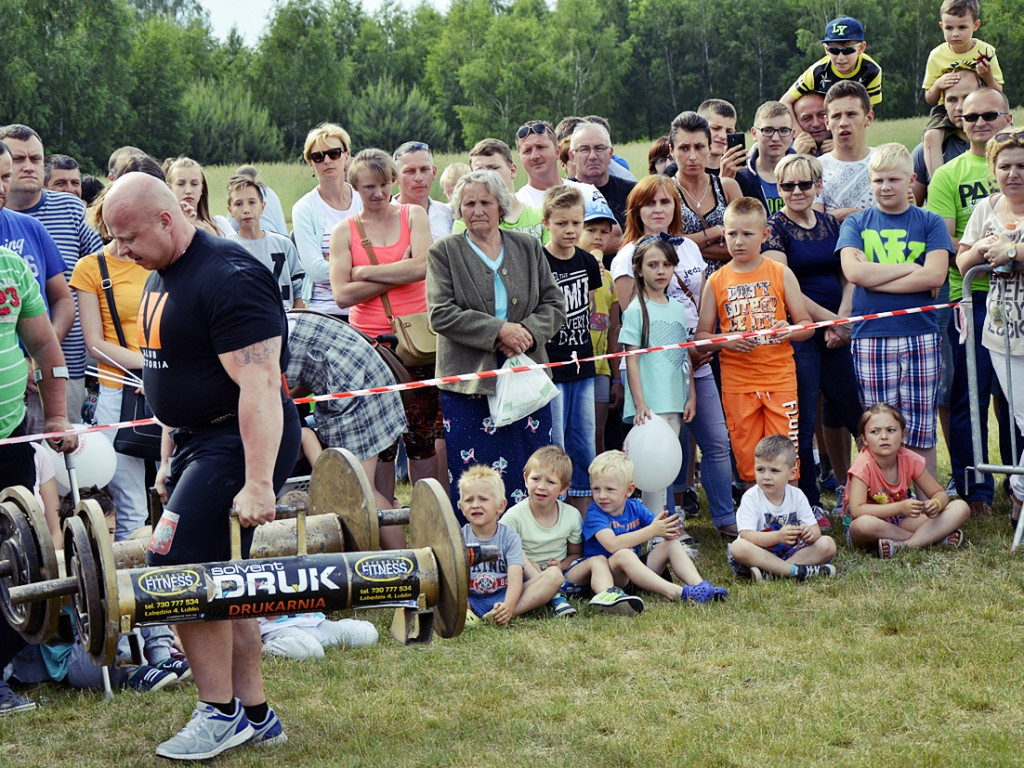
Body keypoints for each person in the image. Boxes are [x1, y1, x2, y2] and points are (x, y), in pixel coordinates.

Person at [102, 172, 302, 759]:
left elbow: (262, 386)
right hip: (196, 442)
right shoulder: (162, 273)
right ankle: (256, 715)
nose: (120, 250)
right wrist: (168, 457)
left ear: (166, 219)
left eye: (128, 235)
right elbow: (167, 369)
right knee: (222, 582)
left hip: (236, 443)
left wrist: (260, 482)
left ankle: (219, 713)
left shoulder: (230, 275)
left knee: (176, 565)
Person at [426, 169, 565, 512]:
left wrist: (527, 333)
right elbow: (440, 313)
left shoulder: (528, 247)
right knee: (476, 476)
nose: (477, 210)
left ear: (501, 206)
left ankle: (532, 541)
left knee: (532, 466)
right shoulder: (444, 252)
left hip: (525, 374)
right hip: (471, 384)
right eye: (468, 203)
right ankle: (477, 549)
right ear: (458, 209)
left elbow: (554, 303)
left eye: (485, 202)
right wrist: (498, 331)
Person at [610, 175, 736, 536]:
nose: (659, 210)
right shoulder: (625, 256)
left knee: (715, 440)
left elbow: (697, 300)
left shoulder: (689, 248)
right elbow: (637, 323)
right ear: (637, 210)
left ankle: (725, 520)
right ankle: (668, 525)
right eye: (650, 203)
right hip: (654, 375)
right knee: (665, 451)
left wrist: (700, 346)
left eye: (666, 202)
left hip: (692, 358)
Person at [328, 149, 440, 500]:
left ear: (393, 182)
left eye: (382, 185)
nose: (376, 194)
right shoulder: (344, 231)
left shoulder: (413, 215)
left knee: (422, 437)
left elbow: (423, 266)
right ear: (355, 187)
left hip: (419, 339)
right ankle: (385, 518)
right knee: (381, 443)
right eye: (367, 187)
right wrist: (399, 273)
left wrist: (365, 273)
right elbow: (343, 295)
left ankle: (425, 512)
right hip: (371, 343)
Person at [838, 143, 952, 479]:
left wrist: (877, 276)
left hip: (921, 334)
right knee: (878, 425)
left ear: (911, 179)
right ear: (869, 182)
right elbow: (855, 274)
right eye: (878, 180)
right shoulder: (857, 223)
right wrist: (908, 268)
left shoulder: (930, 222)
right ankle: (880, 499)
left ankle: (924, 501)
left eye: (893, 179)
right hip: (872, 336)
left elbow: (935, 275)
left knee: (919, 424)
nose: (885, 187)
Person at [0, 228, 78, 715]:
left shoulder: (10, 265)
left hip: (9, 439)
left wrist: (55, 415)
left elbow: (47, 348)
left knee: (17, 560)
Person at [928, 87, 1014, 518]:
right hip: (973, 298)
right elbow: (947, 243)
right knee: (969, 396)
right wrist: (985, 249)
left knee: (1013, 395)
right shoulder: (948, 174)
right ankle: (974, 488)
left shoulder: (1019, 158)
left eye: (989, 115)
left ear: (1007, 116)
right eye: (971, 115)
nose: (978, 122)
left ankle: (1016, 482)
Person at [762, 154, 862, 522]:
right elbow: (785, 288)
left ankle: (867, 490)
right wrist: (831, 322)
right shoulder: (774, 228)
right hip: (802, 334)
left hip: (838, 330)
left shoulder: (829, 224)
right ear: (779, 189)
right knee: (803, 422)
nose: (797, 191)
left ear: (819, 185)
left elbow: (847, 273)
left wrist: (845, 316)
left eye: (805, 184)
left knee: (855, 412)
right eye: (788, 185)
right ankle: (808, 502)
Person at [695, 197, 813, 487]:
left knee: (785, 459)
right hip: (738, 385)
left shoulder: (780, 272)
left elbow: (807, 326)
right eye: (732, 233)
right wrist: (726, 341)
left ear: (765, 235)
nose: (739, 241)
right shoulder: (715, 280)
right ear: (723, 233)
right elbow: (700, 338)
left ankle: (789, 523)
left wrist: (790, 330)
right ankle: (756, 526)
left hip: (779, 379)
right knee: (749, 462)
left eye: (747, 234)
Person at [0, 124, 103, 423]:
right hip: (10, 377)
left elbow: (68, 293)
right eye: (18, 160)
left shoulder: (49, 220)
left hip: (57, 370)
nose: (28, 167)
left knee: (51, 462)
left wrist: (41, 356)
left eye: (36, 159)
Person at [283, 310, 408, 545]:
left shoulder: (252, 341)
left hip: (357, 383)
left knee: (359, 489)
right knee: (361, 487)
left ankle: (406, 564)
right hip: (355, 376)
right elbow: (294, 384)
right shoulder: (258, 321)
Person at [69, 197, 151, 540]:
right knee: (131, 500)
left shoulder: (162, 260)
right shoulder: (91, 268)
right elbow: (95, 344)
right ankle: (129, 583)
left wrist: (166, 373)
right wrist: (152, 365)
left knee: (177, 488)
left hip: (171, 386)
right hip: (118, 392)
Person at [954, 127, 1024, 526]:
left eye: (1021, 166)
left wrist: (1012, 249)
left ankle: (1018, 492)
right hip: (1002, 331)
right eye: (1005, 166)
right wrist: (983, 249)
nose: (1013, 174)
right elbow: (962, 263)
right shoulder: (986, 207)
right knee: (1019, 416)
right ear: (993, 169)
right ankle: (1018, 497)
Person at [582, 451, 728, 607]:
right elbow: (612, 544)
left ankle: (701, 587)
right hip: (610, 578)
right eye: (596, 489)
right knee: (623, 554)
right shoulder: (594, 513)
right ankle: (676, 592)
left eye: (609, 489)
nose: (601, 495)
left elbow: (660, 526)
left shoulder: (635, 506)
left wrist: (667, 529)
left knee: (671, 544)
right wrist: (652, 531)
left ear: (629, 490)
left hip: (636, 573)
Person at [619, 238, 695, 517]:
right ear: (639, 270)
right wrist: (640, 403)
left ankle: (663, 530)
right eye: (652, 265)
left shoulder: (676, 308)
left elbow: (684, 357)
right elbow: (632, 359)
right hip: (650, 406)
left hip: (675, 401)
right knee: (651, 472)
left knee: (665, 471)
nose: (660, 271)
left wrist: (691, 395)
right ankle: (654, 534)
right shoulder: (636, 310)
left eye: (667, 264)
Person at [541, 186, 600, 515]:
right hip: (552, 366)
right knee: (557, 441)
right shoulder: (539, 259)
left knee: (584, 437)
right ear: (546, 222)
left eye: (576, 223)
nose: (570, 230)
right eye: (562, 223)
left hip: (584, 364)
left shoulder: (588, 261)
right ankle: (555, 507)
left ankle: (583, 504)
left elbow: (591, 307)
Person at [843, 403, 969, 557]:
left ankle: (905, 545)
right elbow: (857, 510)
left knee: (960, 507)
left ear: (902, 435)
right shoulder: (863, 465)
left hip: (901, 521)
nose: (884, 437)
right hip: (870, 527)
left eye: (891, 430)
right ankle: (931, 538)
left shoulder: (909, 459)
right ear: (865, 439)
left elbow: (939, 493)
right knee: (864, 525)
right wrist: (900, 507)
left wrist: (935, 504)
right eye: (875, 432)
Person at [459, 465, 564, 626]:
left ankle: (502, 614)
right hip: (471, 599)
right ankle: (466, 613)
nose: (475, 505)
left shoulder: (510, 537)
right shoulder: (458, 537)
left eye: (483, 499)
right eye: (469, 500)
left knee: (554, 575)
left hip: (505, 596)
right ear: (461, 507)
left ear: (500, 505)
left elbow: (515, 578)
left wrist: (508, 605)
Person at [727, 435, 837, 582]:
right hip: (760, 554)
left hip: (792, 553)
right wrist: (778, 536)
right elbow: (747, 535)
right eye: (760, 469)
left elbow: (815, 529)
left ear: (792, 473)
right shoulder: (751, 497)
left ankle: (774, 573)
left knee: (827, 544)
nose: (766, 476)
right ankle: (796, 571)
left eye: (774, 470)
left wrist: (809, 533)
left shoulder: (797, 495)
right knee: (738, 547)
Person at [921, 0, 1002, 178]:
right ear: (941, 26)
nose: (955, 34)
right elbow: (929, 97)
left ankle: (999, 171)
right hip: (946, 109)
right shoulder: (936, 55)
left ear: (976, 25)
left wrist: (987, 76)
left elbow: (999, 92)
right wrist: (938, 84)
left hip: (982, 106)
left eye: (962, 27)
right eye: (949, 28)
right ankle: (938, 181)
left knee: (1007, 131)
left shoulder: (986, 50)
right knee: (931, 136)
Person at [291, 123, 362, 316]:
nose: (327, 161)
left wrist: (334, 259)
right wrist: (365, 264)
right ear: (311, 163)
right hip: (327, 311)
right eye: (318, 156)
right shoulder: (304, 209)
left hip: (368, 306)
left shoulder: (364, 199)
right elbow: (316, 271)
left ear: (347, 156)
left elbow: (387, 256)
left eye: (334, 153)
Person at [668, 111, 741, 276]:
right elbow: (668, 246)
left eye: (699, 147)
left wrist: (687, 243)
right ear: (671, 150)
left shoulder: (728, 187)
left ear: (709, 148)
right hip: (683, 289)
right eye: (684, 148)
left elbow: (744, 243)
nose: (692, 156)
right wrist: (717, 231)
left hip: (729, 284)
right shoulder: (666, 191)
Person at [226, 172, 305, 310]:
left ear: (262, 207)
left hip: (285, 318)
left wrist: (296, 318)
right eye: (238, 204)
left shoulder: (283, 244)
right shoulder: (227, 248)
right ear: (230, 210)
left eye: (252, 202)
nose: (246, 210)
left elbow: (299, 287)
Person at [579, 198, 621, 454]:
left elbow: (614, 328)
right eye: (591, 230)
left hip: (601, 369)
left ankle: (597, 490)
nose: (598, 236)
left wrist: (617, 378)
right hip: (572, 367)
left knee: (597, 433)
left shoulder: (609, 279)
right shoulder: (569, 271)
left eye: (605, 231)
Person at [781, 16, 882, 109]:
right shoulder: (816, 71)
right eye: (834, 50)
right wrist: (799, 129)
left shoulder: (872, 71)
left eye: (848, 50)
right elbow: (785, 102)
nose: (840, 58)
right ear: (826, 49)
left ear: (861, 48)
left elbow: (865, 111)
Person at [455, 138, 546, 241]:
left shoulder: (541, 217)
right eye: (479, 171)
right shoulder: (466, 224)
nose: (487, 176)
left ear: (512, 171)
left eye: (493, 169)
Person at [814, 82, 877, 222]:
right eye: (836, 116)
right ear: (827, 122)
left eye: (851, 114)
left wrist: (835, 214)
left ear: (869, 117)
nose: (843, 122)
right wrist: (869, 214)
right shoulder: (816, 168)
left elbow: (903, 213)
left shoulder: (885, 160)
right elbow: (815, 222)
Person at [568, 122, 636, 229]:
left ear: (610, 154)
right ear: (572, 156)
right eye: (584, 149)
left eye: (599, 148)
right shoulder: (563, 194)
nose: (592, 156)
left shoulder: (632, 193)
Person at [736, 101, 795, 215]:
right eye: (767, 130)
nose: (775, 138)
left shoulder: (806, 175)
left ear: (792, 135)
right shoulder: (741, 178)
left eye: (783, 130)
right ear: (754, 133)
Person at [393, 141, 454, 242]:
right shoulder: (383, 218)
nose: (418, 178)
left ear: (434, 172)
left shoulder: (447, 214)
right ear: (395, 177)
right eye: (410, 171)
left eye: (424, 169)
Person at [162, 156, 231, 237]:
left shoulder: (220, 224)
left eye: (194, 184)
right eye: (181, 184)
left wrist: (214, 241)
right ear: (169, 188)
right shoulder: (163, 228)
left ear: (202, 188)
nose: (188, 191)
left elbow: (239, 249)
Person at [226, 164, 288, 236]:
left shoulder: (238, 194)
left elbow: (231, 228)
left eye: (252, 202)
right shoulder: (272, 193)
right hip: (278, 237)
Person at [698, 99, 746, 178]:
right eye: (715, 128)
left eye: (729, 131)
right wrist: (723, 181)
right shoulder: (682, 173)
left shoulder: (740, 179)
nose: (723, 136)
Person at [791, 93, 834, 157]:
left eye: (822, 115)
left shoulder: (850, 144)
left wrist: (843, 153)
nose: (816, 124)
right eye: (807, 118)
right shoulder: (782, 149)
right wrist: (794, 156)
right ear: (796, 121)